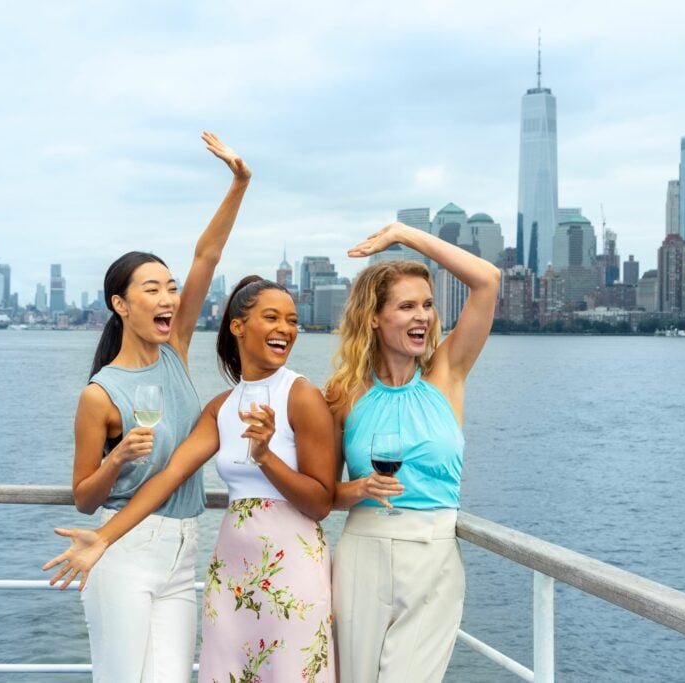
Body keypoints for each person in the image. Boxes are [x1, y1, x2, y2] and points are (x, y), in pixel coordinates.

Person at [45, 277, 338, 682]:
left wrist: (265, 457)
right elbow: (171, 474)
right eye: (271, 317)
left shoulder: (301, 395)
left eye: (291, 320)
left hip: (293, 570)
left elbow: (321, 502)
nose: (285, 329)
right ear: (238, 326)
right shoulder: (222, 408)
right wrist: (105, 536)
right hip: (233, 571)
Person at [42, 131, 251, 682]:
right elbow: (86, 498)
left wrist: (239, 182)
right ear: (120, 304)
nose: (168, 299)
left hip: (185, 547)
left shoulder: (176, 349)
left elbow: (208, 254)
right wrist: (116, 461)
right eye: (152, 289)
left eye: (171, 288)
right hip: (124, 547)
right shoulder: (100, 394)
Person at [326, 222, 501, 683]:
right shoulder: (344, 394)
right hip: (362, 552)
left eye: (427, 304)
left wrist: (404, 234)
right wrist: (358, 487)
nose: (422, 316)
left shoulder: (447, 373)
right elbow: (324, 493)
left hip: (433, 554)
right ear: (374, 318)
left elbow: (487, 280)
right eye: (406, 306)